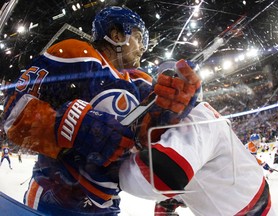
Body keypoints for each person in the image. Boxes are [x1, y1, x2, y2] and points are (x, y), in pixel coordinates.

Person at [2, 6, 200, 216]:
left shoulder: (140, 82)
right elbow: (14, 112)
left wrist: (170, 113)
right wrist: (69, 126)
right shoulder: (76, 54)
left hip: (106, 205)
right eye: (139, 38)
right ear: (116, 35)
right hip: (55, 198)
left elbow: (140, 140)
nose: (143, 48)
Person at [119, 108, 276, 214]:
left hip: (239, 208)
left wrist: (112, 168)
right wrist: (170, 200)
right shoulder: (198, 114)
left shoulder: (192, 121)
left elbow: (161, 178)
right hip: (245, 199)